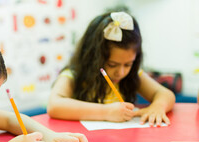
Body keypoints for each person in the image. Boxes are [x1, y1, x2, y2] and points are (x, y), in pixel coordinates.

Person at [47, 11, 175, 126]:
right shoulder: (73, 75)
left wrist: (158, 106)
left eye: (128, 64)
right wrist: (106, 112)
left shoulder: (133, 75)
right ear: (93, 57)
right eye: (112, 65)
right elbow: (54, 105)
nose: (121, 72)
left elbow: (166, 94)